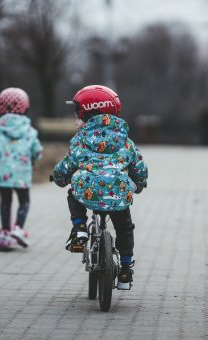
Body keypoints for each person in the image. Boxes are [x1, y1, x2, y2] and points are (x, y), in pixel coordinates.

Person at [51, 85, 148, 289]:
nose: (75, 121)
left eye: (78, 115)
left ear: (89, 114)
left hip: (88, 190)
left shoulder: (80, 140)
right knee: (124, 227)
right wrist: (138, 184)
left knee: (73, 192)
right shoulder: (125, 141)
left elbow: (67, 165)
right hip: (118, 194)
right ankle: (125, 268)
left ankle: (79, 228)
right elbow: (139, 166)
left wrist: (59, 178)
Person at [0, 87, 43, 251]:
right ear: (25, 107)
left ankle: (5, 232)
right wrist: (33, 159)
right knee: (24, 201)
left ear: (1, 106)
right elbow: (36, 151)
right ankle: (18, 228)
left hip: (2, 174)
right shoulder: (29, 131)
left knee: (5, 202)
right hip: (22, 173)